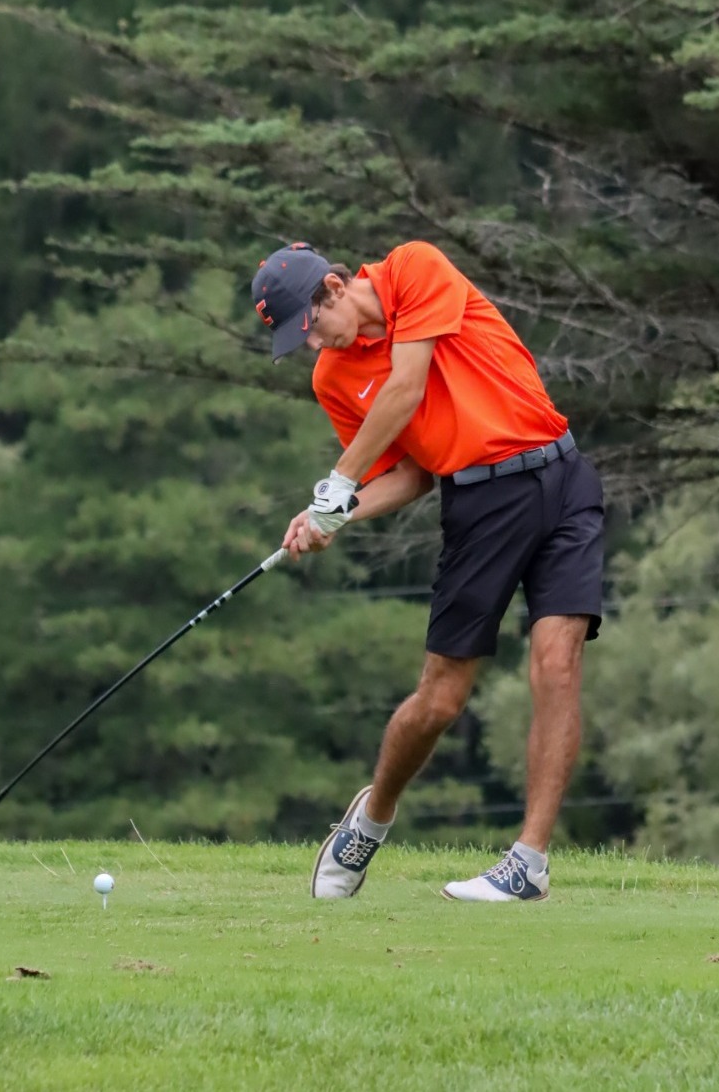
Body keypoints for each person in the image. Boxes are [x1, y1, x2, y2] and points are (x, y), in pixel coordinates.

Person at [251, 239, 605, 901]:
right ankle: (371, 820)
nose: (314, 344)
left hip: (563, 476)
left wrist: (339, 482)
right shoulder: (332, 379)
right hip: (480, 505)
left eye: (312, 326)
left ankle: (528, 863)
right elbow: (409, 475)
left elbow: (406, 384)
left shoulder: (414, 269)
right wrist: (337, 514)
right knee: (441, 699)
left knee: (557, 666)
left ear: (335, 287)